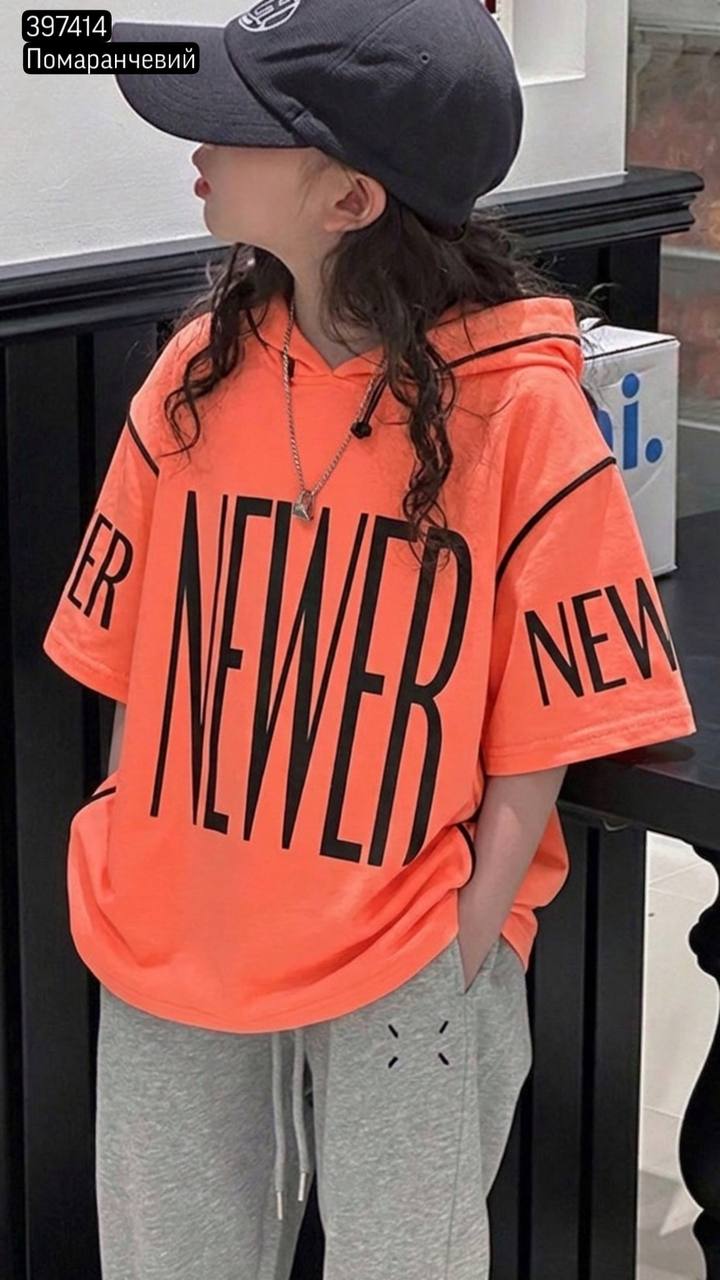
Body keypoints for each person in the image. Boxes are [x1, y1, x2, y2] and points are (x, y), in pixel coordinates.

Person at [41, 2, 698, 1277]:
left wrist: (469, 927)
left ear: (350, 200)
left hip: (403, 949)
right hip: (174, 926)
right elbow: (129, 648)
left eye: (237, 126)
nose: (197, 147)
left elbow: (550, 719)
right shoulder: (195, 374)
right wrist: (127, 829)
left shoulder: (520, 410)